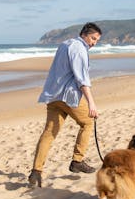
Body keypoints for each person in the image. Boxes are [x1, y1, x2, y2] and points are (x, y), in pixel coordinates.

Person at [28, 22, 102, 187]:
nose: (94, 43)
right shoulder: (79, 49)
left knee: (49, 133)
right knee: (88, 122)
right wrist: (91, 103)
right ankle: (77, 160)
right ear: (84, 34)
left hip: (53, 95)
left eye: (97, 40)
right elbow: (81, 79)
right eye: (93, 38)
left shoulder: (65, 44)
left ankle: (36, 173)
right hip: (67, 97)